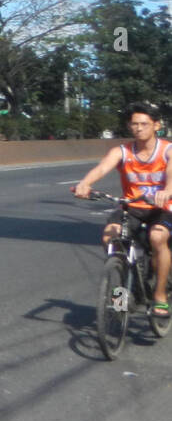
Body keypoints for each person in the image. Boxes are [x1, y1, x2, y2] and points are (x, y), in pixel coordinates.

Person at [74, 101, 172, 319]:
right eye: (134, 124)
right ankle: (122, 294)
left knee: (158, 238)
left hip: (162, 207)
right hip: (132, 207)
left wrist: (167, 190)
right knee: (111, 239)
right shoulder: (122, 151)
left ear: (156, 125)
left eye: (144, 124)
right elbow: (102, 168)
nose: (138, 128)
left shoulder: (167, 150)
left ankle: (160, 296)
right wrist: (85, 184)